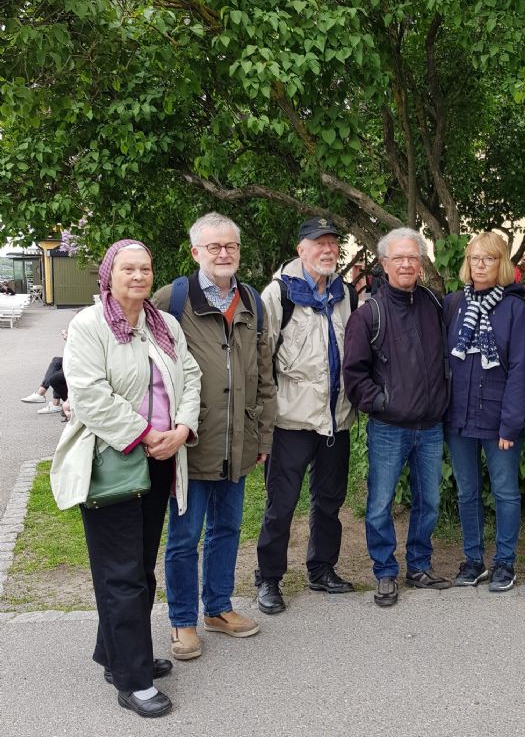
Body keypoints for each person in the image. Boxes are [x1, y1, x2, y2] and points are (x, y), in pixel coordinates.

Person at [50, 239, 201, 718]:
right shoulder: (89, 326)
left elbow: (191, 376)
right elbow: (90, 395)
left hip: (159, 459)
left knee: (137, 567)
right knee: (121, 575)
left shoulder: (163, 324)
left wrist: (181, 429)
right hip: (112, 460)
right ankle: (133, 681)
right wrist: (145, 433)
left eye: (146, 268)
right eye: (128, 269)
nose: (138, 276)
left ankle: (115, 654)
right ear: (109, 275)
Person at [152, 212, 275, 659]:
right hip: (191, 443)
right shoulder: (173, 298)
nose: (224, 254)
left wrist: (263, 438)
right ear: (196, 253)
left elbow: (264, 375)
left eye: (231, 247)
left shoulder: (252, 301)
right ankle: (182, 622)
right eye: (214, 247)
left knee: (227, 528)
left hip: (238, 441)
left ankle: (218, 609)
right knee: (185, 537)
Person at [344, 227, 451, 607]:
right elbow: (354, 375)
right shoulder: (369, 313)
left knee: (430, 502)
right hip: (389, 427)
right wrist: (384, 402)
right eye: (398, 258)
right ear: (384, 263)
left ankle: (419, 565)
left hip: (431, 427)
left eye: (413, 257)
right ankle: (385, 572)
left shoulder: (434, 304)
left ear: (421, 263)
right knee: (380, 503)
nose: (407, 264)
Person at [255, 217, 356, 615]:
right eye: (319, 244)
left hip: (337, 418)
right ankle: (268, 578)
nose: (328, 250)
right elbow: (262, 360)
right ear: (301, 249)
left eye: (333, 244)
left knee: (329, 501)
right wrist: (262, 419)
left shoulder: (346, 293)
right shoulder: (279, 293)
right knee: (282, 504)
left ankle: (321, 568)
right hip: (290, 420)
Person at [444, 232, 525, 592]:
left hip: (498, 419)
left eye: (489, 259)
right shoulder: (453, 305)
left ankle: (505, 562)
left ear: (502, 264)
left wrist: (511, 423)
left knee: (505, 492)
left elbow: (519, 368)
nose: (481, 265)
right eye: (475, 258)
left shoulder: (513, 309)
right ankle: (474, 559)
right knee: (467, 492)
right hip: (459, 417)